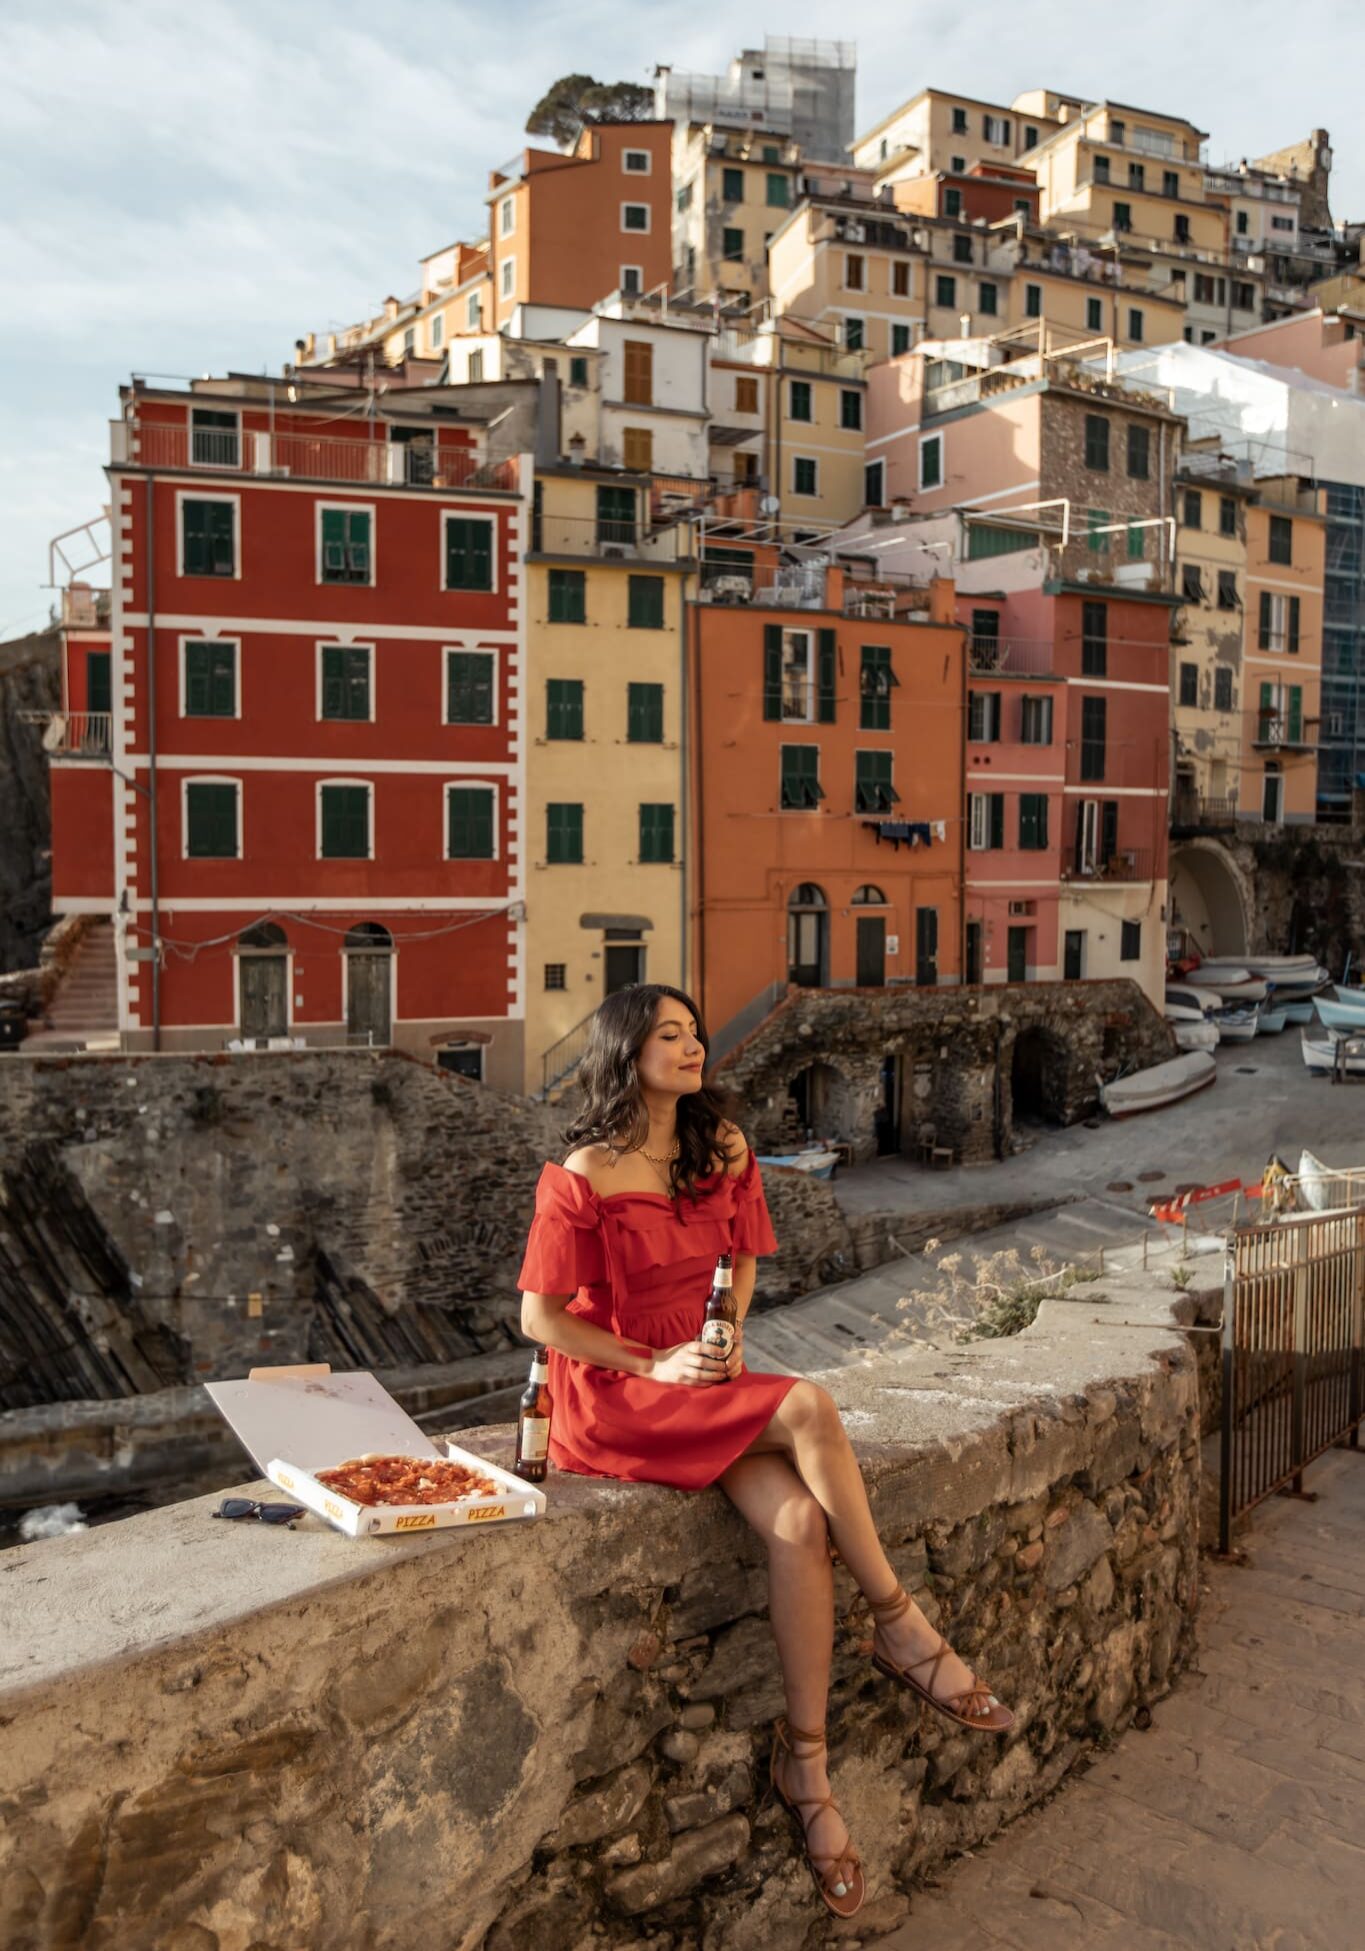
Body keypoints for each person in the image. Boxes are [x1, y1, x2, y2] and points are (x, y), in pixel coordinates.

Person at [518, 985, 1012, 1919]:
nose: (693, 1044)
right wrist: (658, 1361)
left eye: (696, 1030)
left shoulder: (724, 1147)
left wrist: (724, 1331)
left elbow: (741, 1257)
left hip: (700, 1371)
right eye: (669, 1034)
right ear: (627, 1053)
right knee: (813, 1405)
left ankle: (806, 1767)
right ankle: (901, 1624)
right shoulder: (582, 1170)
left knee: (794, 1519)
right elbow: (539, 1318)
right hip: (620, 1391)